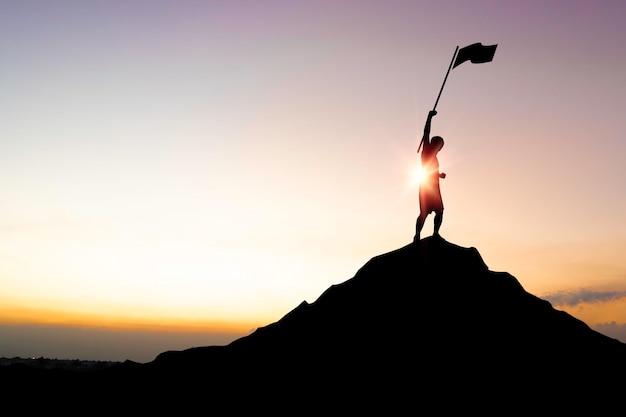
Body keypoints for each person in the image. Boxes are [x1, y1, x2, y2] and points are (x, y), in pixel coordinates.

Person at [414, 110, 446, 242]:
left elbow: (430, 171)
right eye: (439, 146)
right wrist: (429, 117)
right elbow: (426, 132)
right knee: (424, 213)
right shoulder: (426, 150)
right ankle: (417, 235)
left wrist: (439, 175)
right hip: (426, 187)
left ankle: (435, 233)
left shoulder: (434, 156)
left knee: (440, 210)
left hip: (433, 186)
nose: (439, 149)